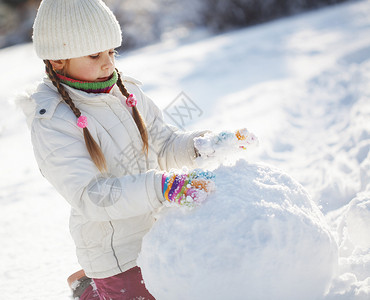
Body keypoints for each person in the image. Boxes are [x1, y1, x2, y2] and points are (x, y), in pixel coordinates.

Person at [18, 0, 257, 299]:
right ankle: (90, 291)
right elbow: (90, 196)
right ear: (57, 60)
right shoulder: (52, 120)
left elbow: (165, 144)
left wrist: (201, 146)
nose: (108, 63)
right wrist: (163, 187)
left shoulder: (125, 92)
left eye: (111, 52)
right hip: (115, 253)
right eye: (94, 55)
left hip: (160, 232)